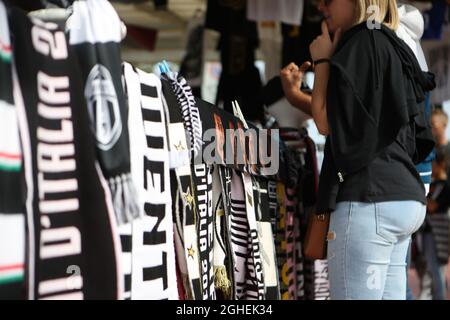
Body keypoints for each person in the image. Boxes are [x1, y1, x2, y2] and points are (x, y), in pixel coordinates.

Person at [281, 0, 435, 299]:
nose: (320, 7)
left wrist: (323, 61)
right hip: (403, 197)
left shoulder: (359, 42)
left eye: (328, 0)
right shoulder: (394, 42)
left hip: (369, 199)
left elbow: (325, 123)